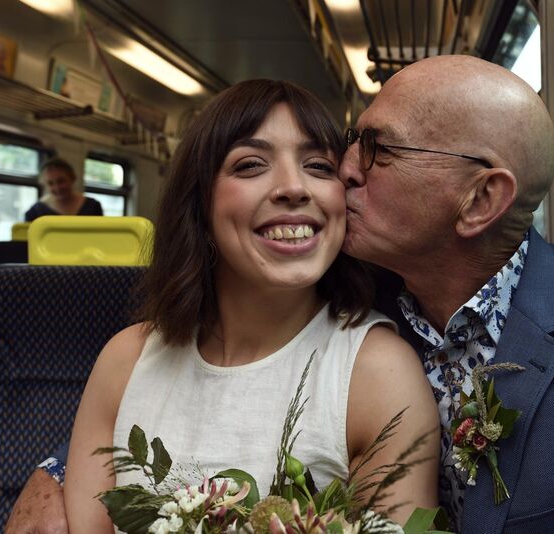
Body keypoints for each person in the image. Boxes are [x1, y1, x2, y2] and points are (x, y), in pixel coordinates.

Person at [7, 56, 554, 533]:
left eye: (375, 150)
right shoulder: (337, 284)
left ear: (479, 202)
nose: (337, 176)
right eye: (348, 146)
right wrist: (56, 474)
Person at [60, 79, 438, 533]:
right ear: (200, 205)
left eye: (319, 166)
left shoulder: (375, 374)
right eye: (251, 165)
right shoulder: (125, 361)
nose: (294, 187)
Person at [24, 158, 103, 222]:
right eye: (50, 183)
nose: (57, 188)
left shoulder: (93, 206)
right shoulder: (35, 212)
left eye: (61, 181)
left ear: (72, 178)